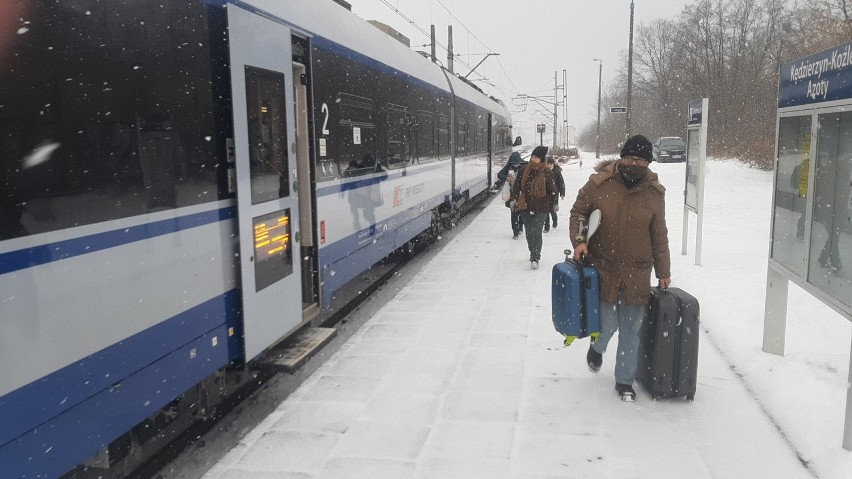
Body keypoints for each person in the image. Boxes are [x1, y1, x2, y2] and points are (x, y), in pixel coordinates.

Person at [569, 134, 672, 401]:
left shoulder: (654, 193)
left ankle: (625, 381)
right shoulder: (599, 184)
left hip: (637, 271)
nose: (633, 163)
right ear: (621, 157)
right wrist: (580, 241)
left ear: (648, 162)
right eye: (628, 158)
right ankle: (597, 347)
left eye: (639, 160)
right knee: (607, 323)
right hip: (604, 268)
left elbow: (658, 235)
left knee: (631, 331)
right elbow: (579, 212)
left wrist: (663, 272)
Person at [509, 145, 557, 269]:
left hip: (541, 207)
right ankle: (532, 252)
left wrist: (554, 204)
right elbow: (517, 186)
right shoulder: (524, 170)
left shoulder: (547, 173)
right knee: (529, 233)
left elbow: (552, 190)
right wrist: (514, 199)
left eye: (536, 157)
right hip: (525, 206)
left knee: (536, 232)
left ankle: (536, 257)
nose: (533, 159)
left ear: (541, 159)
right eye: (532, 156)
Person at [499, 151, 527, 238]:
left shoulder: (525, 166)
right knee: (514, 212)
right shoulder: (509, 166)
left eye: (516, 163)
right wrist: (506, 178)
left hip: (522, 193)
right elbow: (499, 174)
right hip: (512, 194)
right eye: (513, 163)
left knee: (522, 211)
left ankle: (520, 226)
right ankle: (515, 231)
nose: (515, 165)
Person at [543, 156, 565, 233]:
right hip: (546, 194)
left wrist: (562, 193)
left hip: (554, 194)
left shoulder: (557, 172)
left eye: (550, 164)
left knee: (552, 210)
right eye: (547, 164)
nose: (549, 166)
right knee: (545, 210)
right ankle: (546, 226)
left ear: (553, 164)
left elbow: (561, 183)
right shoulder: (544, 172)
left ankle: (555, 220)